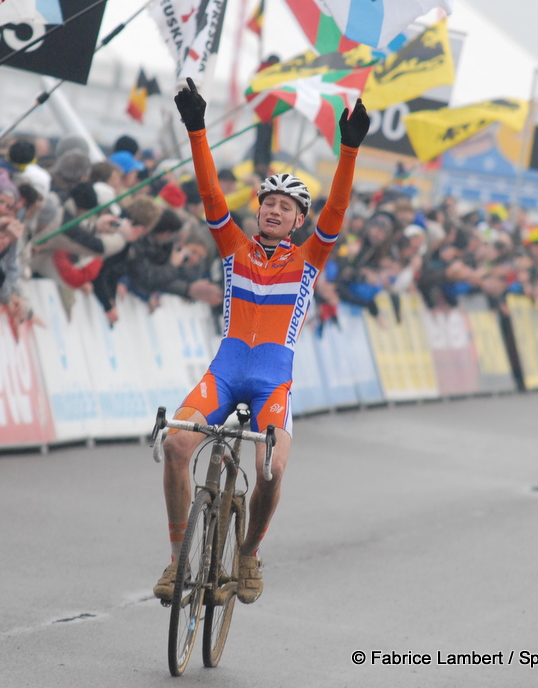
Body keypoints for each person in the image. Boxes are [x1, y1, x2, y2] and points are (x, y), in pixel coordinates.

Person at [153, 78, 370, 605]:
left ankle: (248, 553)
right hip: (224, 372)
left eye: (286, 207)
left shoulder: (309, 258)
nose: (274, 210)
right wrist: (197, 129)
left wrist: (349, 149)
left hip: (274, 380)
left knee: (269, 468)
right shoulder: (233, 247)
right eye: (268, 202)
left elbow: (338, 209)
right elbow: (209, 194)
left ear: (300, 222)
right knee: (176, 444)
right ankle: (179, 559)